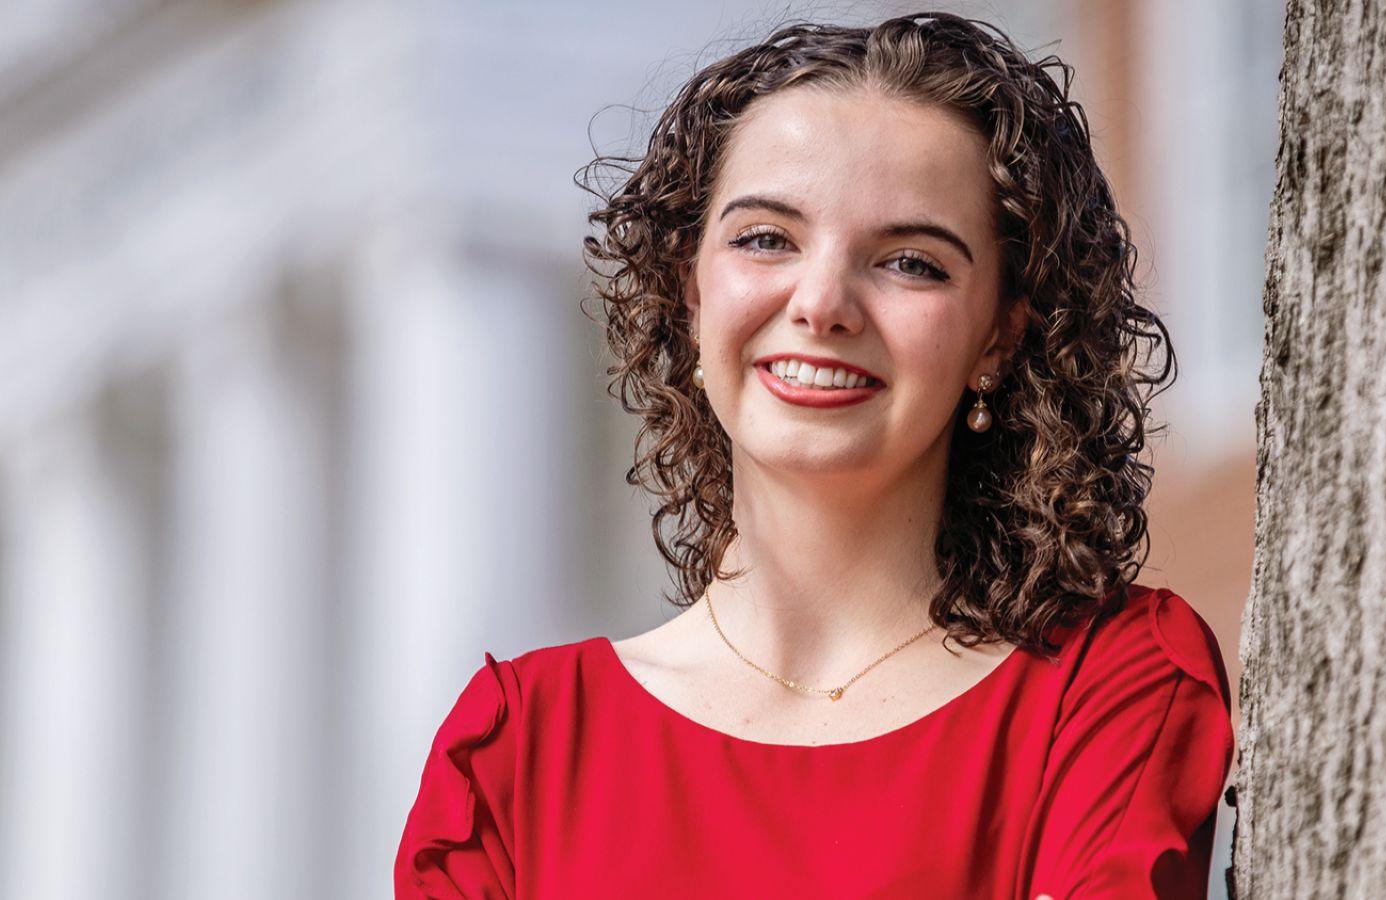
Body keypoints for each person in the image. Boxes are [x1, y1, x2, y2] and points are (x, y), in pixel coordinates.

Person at [394, 11, 1233, 899]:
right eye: (765, 239)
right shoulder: (514, 754)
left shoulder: (1111, 686)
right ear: (692, 287)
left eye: (911, 262)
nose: (823, 302)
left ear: (1000, 333)